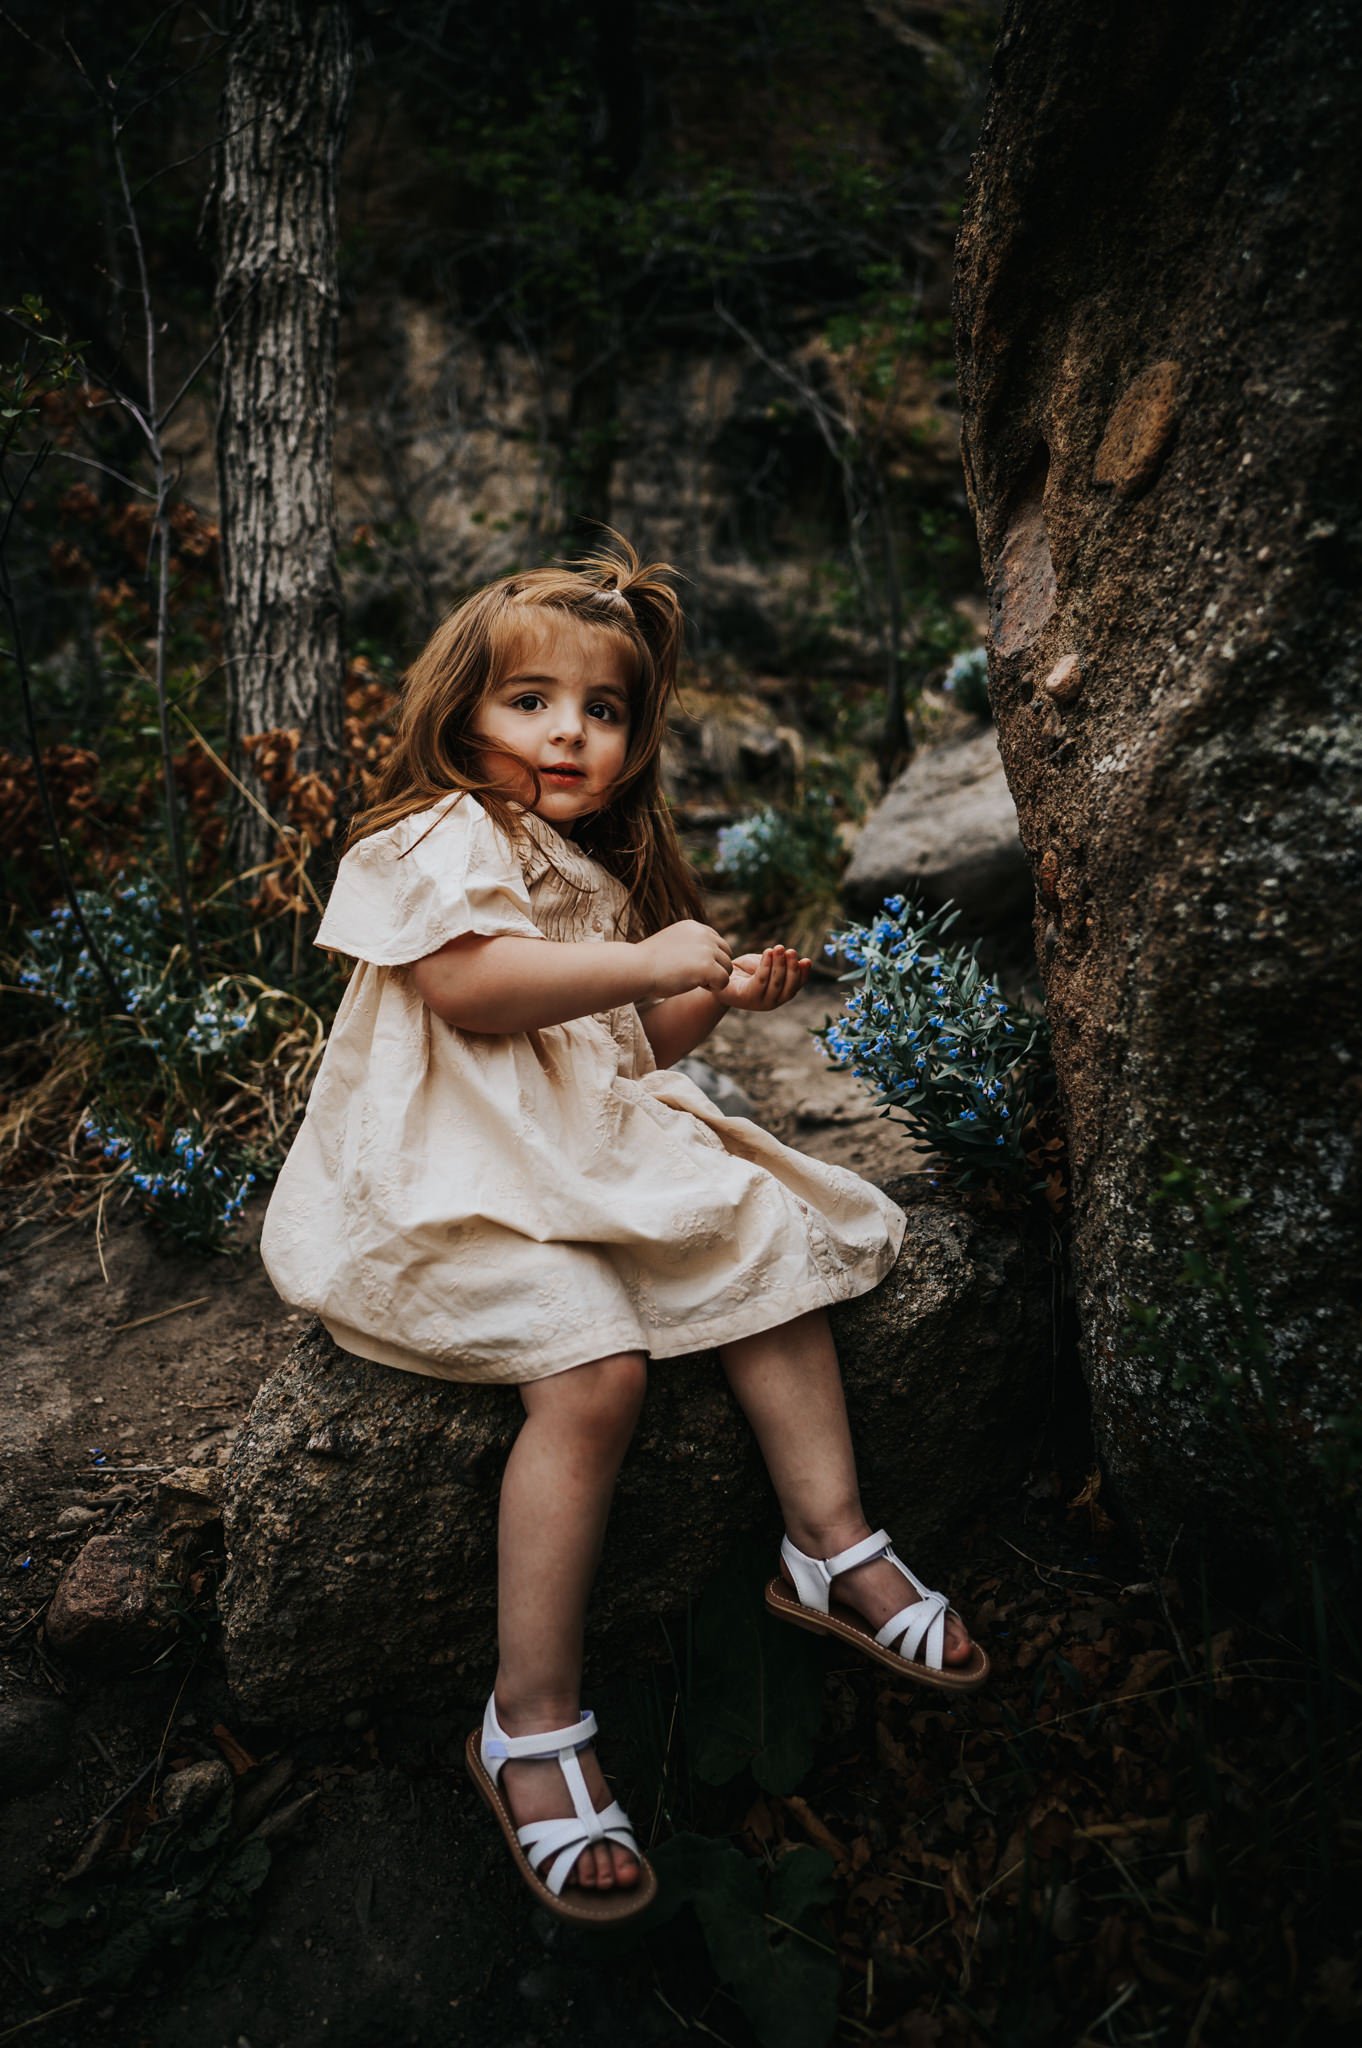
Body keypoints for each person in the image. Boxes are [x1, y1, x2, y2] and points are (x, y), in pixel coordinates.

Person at [261, 538, 988, 1926]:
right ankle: (528, 1716)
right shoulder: (431, 839)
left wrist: (705, 996)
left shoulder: (592, 871)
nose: (567, 733)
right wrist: (652, 951)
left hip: (570, 1151)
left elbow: (619, 1043)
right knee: (590, 1372)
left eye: (601, 711)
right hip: (445, 1178)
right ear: (463, 710)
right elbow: (477, 990)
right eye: (530, 700)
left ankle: (826, 1543)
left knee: (753, 1225)